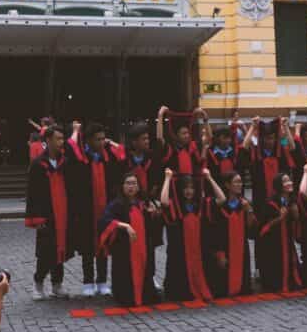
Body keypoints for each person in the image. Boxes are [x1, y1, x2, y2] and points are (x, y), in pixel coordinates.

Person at [66, 121, 116, 297]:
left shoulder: (108, 158)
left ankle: (102, 280)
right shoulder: (81, 159)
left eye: (104, 139)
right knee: (87, 248)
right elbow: (71, 146)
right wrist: (76, 130)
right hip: (86, 210)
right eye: (98, 139)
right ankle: (88, 281)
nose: (102, 142)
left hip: (104, 209)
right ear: (88, 141)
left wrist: (111, 143)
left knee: (103, 245)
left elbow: (124, 154)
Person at [98, 171, 161, 307]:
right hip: (125, 249)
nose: (131, 187)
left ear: (138, 187)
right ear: (122, 186)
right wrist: (123, 225)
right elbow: (104, 221)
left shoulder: (143, 204)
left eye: (134, 183)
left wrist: (153, 214)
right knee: (126, 281)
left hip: (142, 246)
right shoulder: (116, 204)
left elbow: (152, 227)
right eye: (128, 183)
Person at [25, 124, 72, 300]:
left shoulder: (65, 163)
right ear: (48, 140)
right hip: (47, 214)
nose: (61, 142)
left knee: (60, 250)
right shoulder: (38, 165)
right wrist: (37, 218)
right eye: (58, 139)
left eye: (62, 138)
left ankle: (57, 284)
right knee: (46, 252)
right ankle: (38, 283)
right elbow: (33, 194)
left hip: (63, 213)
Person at [160, 168, 213, 302]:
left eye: (191, 188)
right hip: (179, 248)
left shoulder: (199, 205)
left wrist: (209, 178)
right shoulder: (176, 205)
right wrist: (167, 179)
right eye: (185, 188)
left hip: (196, 246)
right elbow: (164, 201)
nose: (189, 191)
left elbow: (222, 199)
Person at [203, 169, 256, 297]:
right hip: (224, 249)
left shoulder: (244, 203)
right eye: (236, 182)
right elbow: (213, 233)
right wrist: (219, 254)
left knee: (243, 289)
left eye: (241, 182)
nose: (240, 185)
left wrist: (248, 211)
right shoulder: (219, 205)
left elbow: (250, 230)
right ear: (227, 185)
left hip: (241, 249)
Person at [255, 173, 302, 293]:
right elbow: (264, 226)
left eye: (290, 180)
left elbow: (296, 219)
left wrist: (295, 211)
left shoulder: (292, 200)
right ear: (279, 185)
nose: (290, 183)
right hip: (273, 242)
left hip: (287, 239)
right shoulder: (270, 203)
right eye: (286, 181)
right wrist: (280, 218)